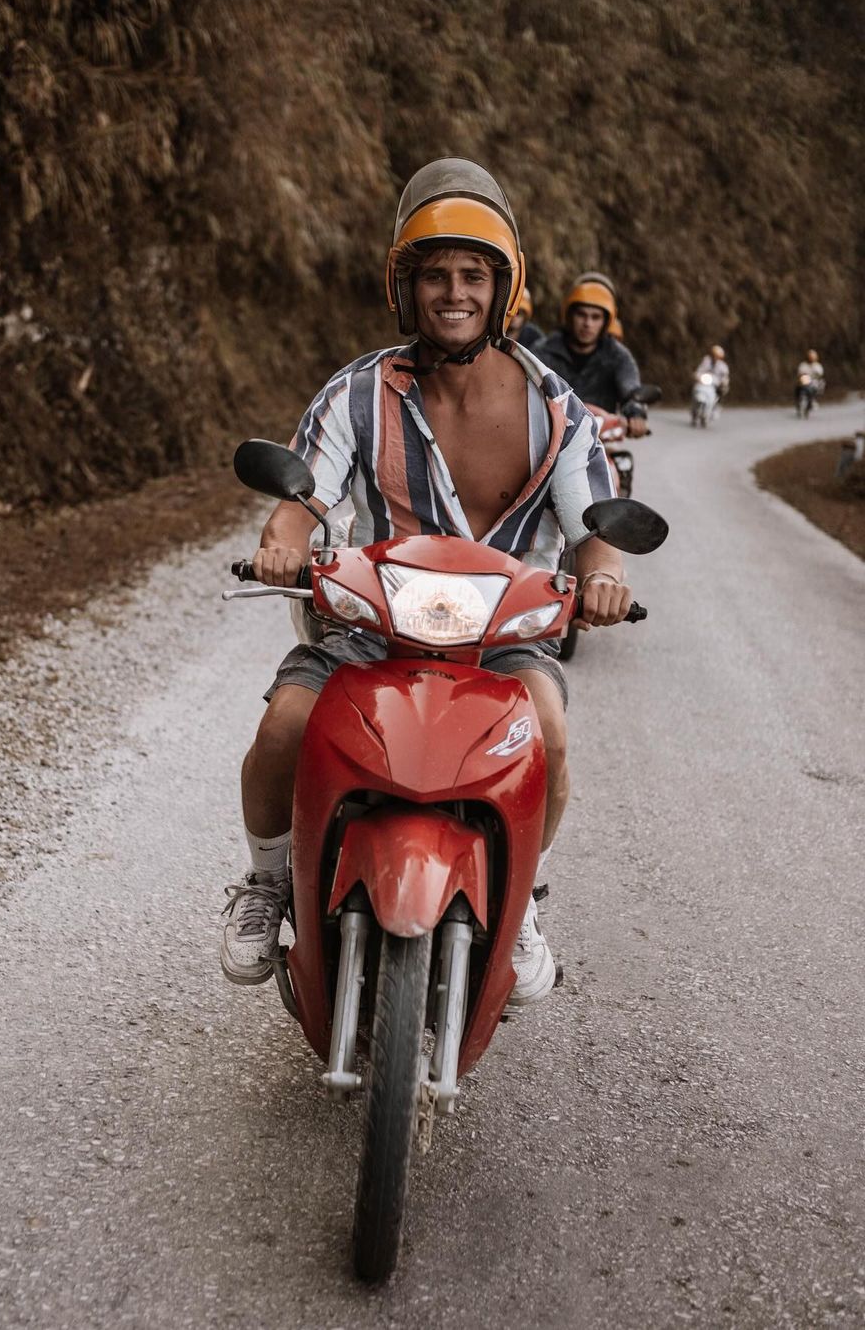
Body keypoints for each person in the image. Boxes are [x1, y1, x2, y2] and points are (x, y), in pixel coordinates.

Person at [220, 158, 634, 1008]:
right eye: (436, 274)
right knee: (284, 724)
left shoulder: (556, 409)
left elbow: (597, 530)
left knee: (547, 732)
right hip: (369, 630)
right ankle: (267, 882)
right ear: (403, 287)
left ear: (503, 287)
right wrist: (282, 539)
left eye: (474, 275)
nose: (455, 292)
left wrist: (604, 577)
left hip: (503, 640)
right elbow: (303, 499)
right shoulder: (357, 393)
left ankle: (519, 905)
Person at [535, 272, 650, 437]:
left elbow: (630, 389)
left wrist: (636, 413)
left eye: (595, 317)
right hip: (550, 441)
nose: (587, 324)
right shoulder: (543, 351)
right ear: (569, 315)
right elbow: (522, 389)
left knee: (620, 462)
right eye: (581, 315)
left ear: (605, 322)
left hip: (600, 441)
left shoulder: (618, 356)